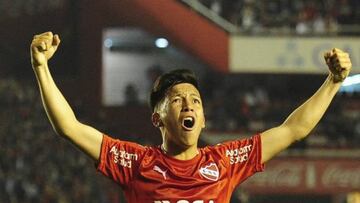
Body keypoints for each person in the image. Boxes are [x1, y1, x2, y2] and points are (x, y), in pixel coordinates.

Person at [30, 32, 352, 203]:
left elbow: (294, 129)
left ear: (203, 119)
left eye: (196, 100)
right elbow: (68, 127)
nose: (189, 105)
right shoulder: (135, 163)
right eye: (177, 100)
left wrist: (333, 82)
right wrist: (42, 68)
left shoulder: (226, 162)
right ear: (157, 119)